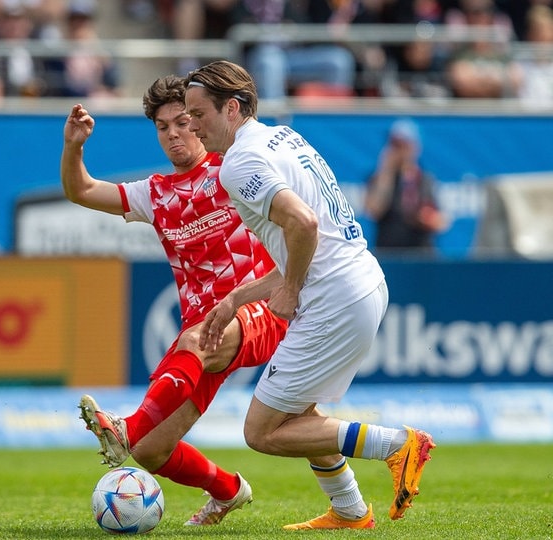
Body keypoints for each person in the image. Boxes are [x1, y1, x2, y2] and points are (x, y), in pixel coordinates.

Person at [182, 60, 435, 530]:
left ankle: (396, 445)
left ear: (231, 108)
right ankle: (350, 510)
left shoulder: (239, 163)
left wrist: (291, 290)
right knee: (300, 413)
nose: (192, 126)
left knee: (261, 432)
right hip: (361, 280)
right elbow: (303, 237)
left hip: (335, 297)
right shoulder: (282, 137)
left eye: (198, 114)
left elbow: (304, 224)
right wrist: (240, 297)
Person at [63, 75, 288, 526]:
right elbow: (82, 190)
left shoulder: (234, 169)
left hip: (260, 310)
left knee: (194, 343)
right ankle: (228, 490)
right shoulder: (156, 192)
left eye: (182, 122)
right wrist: (74, 147)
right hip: (203, 330)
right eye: (162, 127)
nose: (173, 134)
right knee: (151, 451)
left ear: (199, 121)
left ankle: (127, 428)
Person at [364, 118, 447, 252]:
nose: (397, 151)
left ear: (414, 147)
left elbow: (441, 222)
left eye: (401, 145)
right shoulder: (377, 178)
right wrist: (386, 172)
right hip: (389, 255)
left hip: (421, 254)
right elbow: (373, 211)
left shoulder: (425, 179)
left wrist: (425, 218)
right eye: (393, 144)